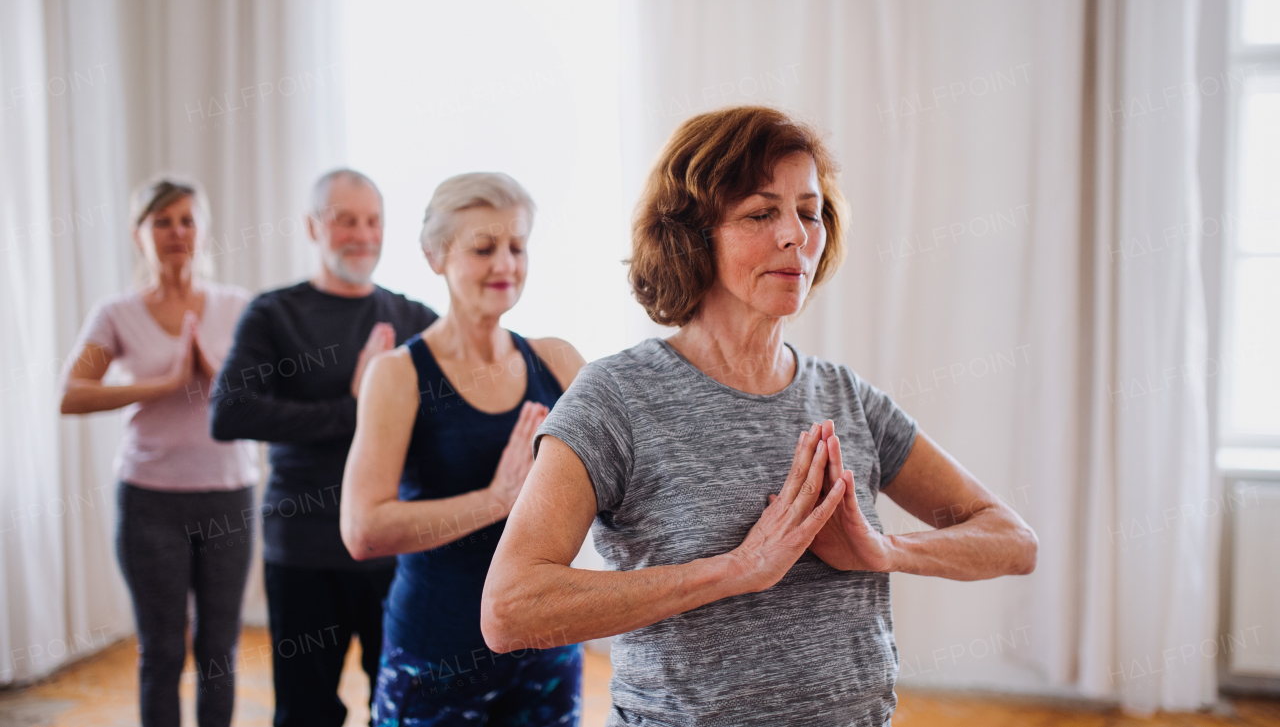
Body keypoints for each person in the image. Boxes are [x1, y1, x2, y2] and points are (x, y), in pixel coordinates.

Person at [480, 106, 1040, 726]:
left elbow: (1012, 542)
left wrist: (884, 550)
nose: (796, 234)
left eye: (809, 211)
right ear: (693, 236)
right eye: (760, 212)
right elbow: (510, 608)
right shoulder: (617, 397)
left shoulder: (845, 397)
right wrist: (735, 570)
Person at [340, 172, 586, 726]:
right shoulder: (397, 376)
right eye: (483, 248)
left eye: (516, 247)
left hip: (546, 653)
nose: (505, 264)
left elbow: (628, 478)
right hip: (437, 658)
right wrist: (496, 499)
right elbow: (363, 530)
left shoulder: (560, 361)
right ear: (435, 256)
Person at [209, 169, 438, 727]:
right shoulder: (273, 312)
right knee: (306, 712)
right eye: (345, 220)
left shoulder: (413, 318)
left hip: (396, 547)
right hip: (304, 548)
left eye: (373, 220)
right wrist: (355, 406)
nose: (362, 234)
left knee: (406, 706)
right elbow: (228, 412)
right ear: (313, 226)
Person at [60, 177, 256, 727]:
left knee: (218, 651)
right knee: (162, 649)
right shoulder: (116, 313)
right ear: (137, 234)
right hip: (150, 501)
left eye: (187, 220)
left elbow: (266, 394)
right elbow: (70, 394)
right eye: (161, 221)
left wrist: (212, 374)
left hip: (227, 497)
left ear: (204, 230)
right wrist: (163, 384)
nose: (176, 232)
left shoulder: (239, 307)